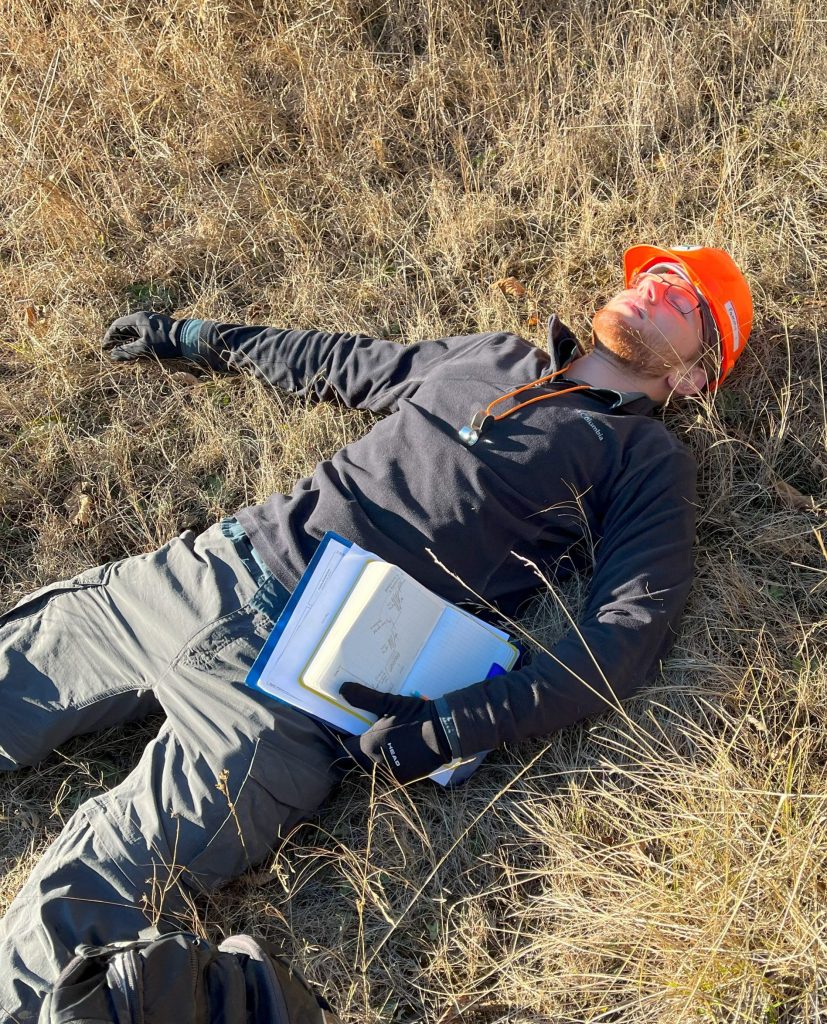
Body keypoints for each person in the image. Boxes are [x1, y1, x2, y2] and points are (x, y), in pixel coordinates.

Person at [0, 244, 752, 1020]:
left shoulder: (644, 457)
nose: (654, 290)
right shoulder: (494, 355)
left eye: (684, 302)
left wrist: (458, 724)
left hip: (287, 704)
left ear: (693, 376)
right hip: (204, 575)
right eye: (653, 277)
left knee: (76, 906)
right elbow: (344, 361)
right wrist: (197, 339)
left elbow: (627, 630)